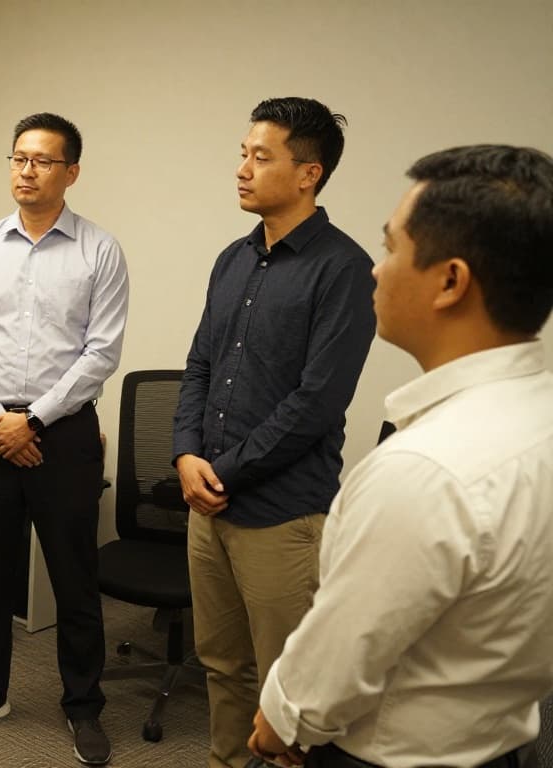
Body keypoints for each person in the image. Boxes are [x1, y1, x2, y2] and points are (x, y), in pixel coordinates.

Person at [248, 144, 553, 768]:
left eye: (391, 248)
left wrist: (277, 725)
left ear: (450, 281)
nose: (376, 272)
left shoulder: (424, 470)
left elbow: (333, 667)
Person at [171, 97, 376, 768]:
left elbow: (316, 403)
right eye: (242, 153)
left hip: (283, 516)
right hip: (209, 505)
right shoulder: (232, 259)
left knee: (288, 693)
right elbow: (200, 362)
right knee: (221, 666)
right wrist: (185, 454)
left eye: (261, 157)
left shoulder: (343, 270)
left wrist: (221, 473)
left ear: (309, 173)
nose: (243, 169)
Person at [0, 112, 129, 766]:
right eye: (19, 157)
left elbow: (101, 353)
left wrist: (35, 420)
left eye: (42, 160)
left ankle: (83, 706)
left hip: (63, 434)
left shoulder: (99, 251)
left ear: (70, 171)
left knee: (75, 575)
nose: (26, 170)